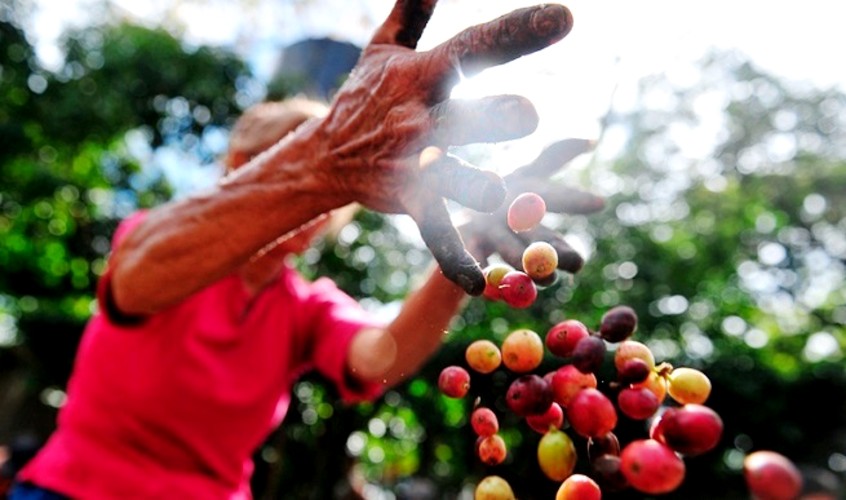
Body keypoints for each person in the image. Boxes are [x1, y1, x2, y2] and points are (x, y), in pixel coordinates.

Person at [10, 2, 602, 498]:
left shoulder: (304, 310)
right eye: (304, 152)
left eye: (341, 192)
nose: (323, 206)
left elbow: (378, 357)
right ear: (243, 164)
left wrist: (466, 254)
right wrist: (320, 163)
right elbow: (137, 283)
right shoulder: (167, 232)